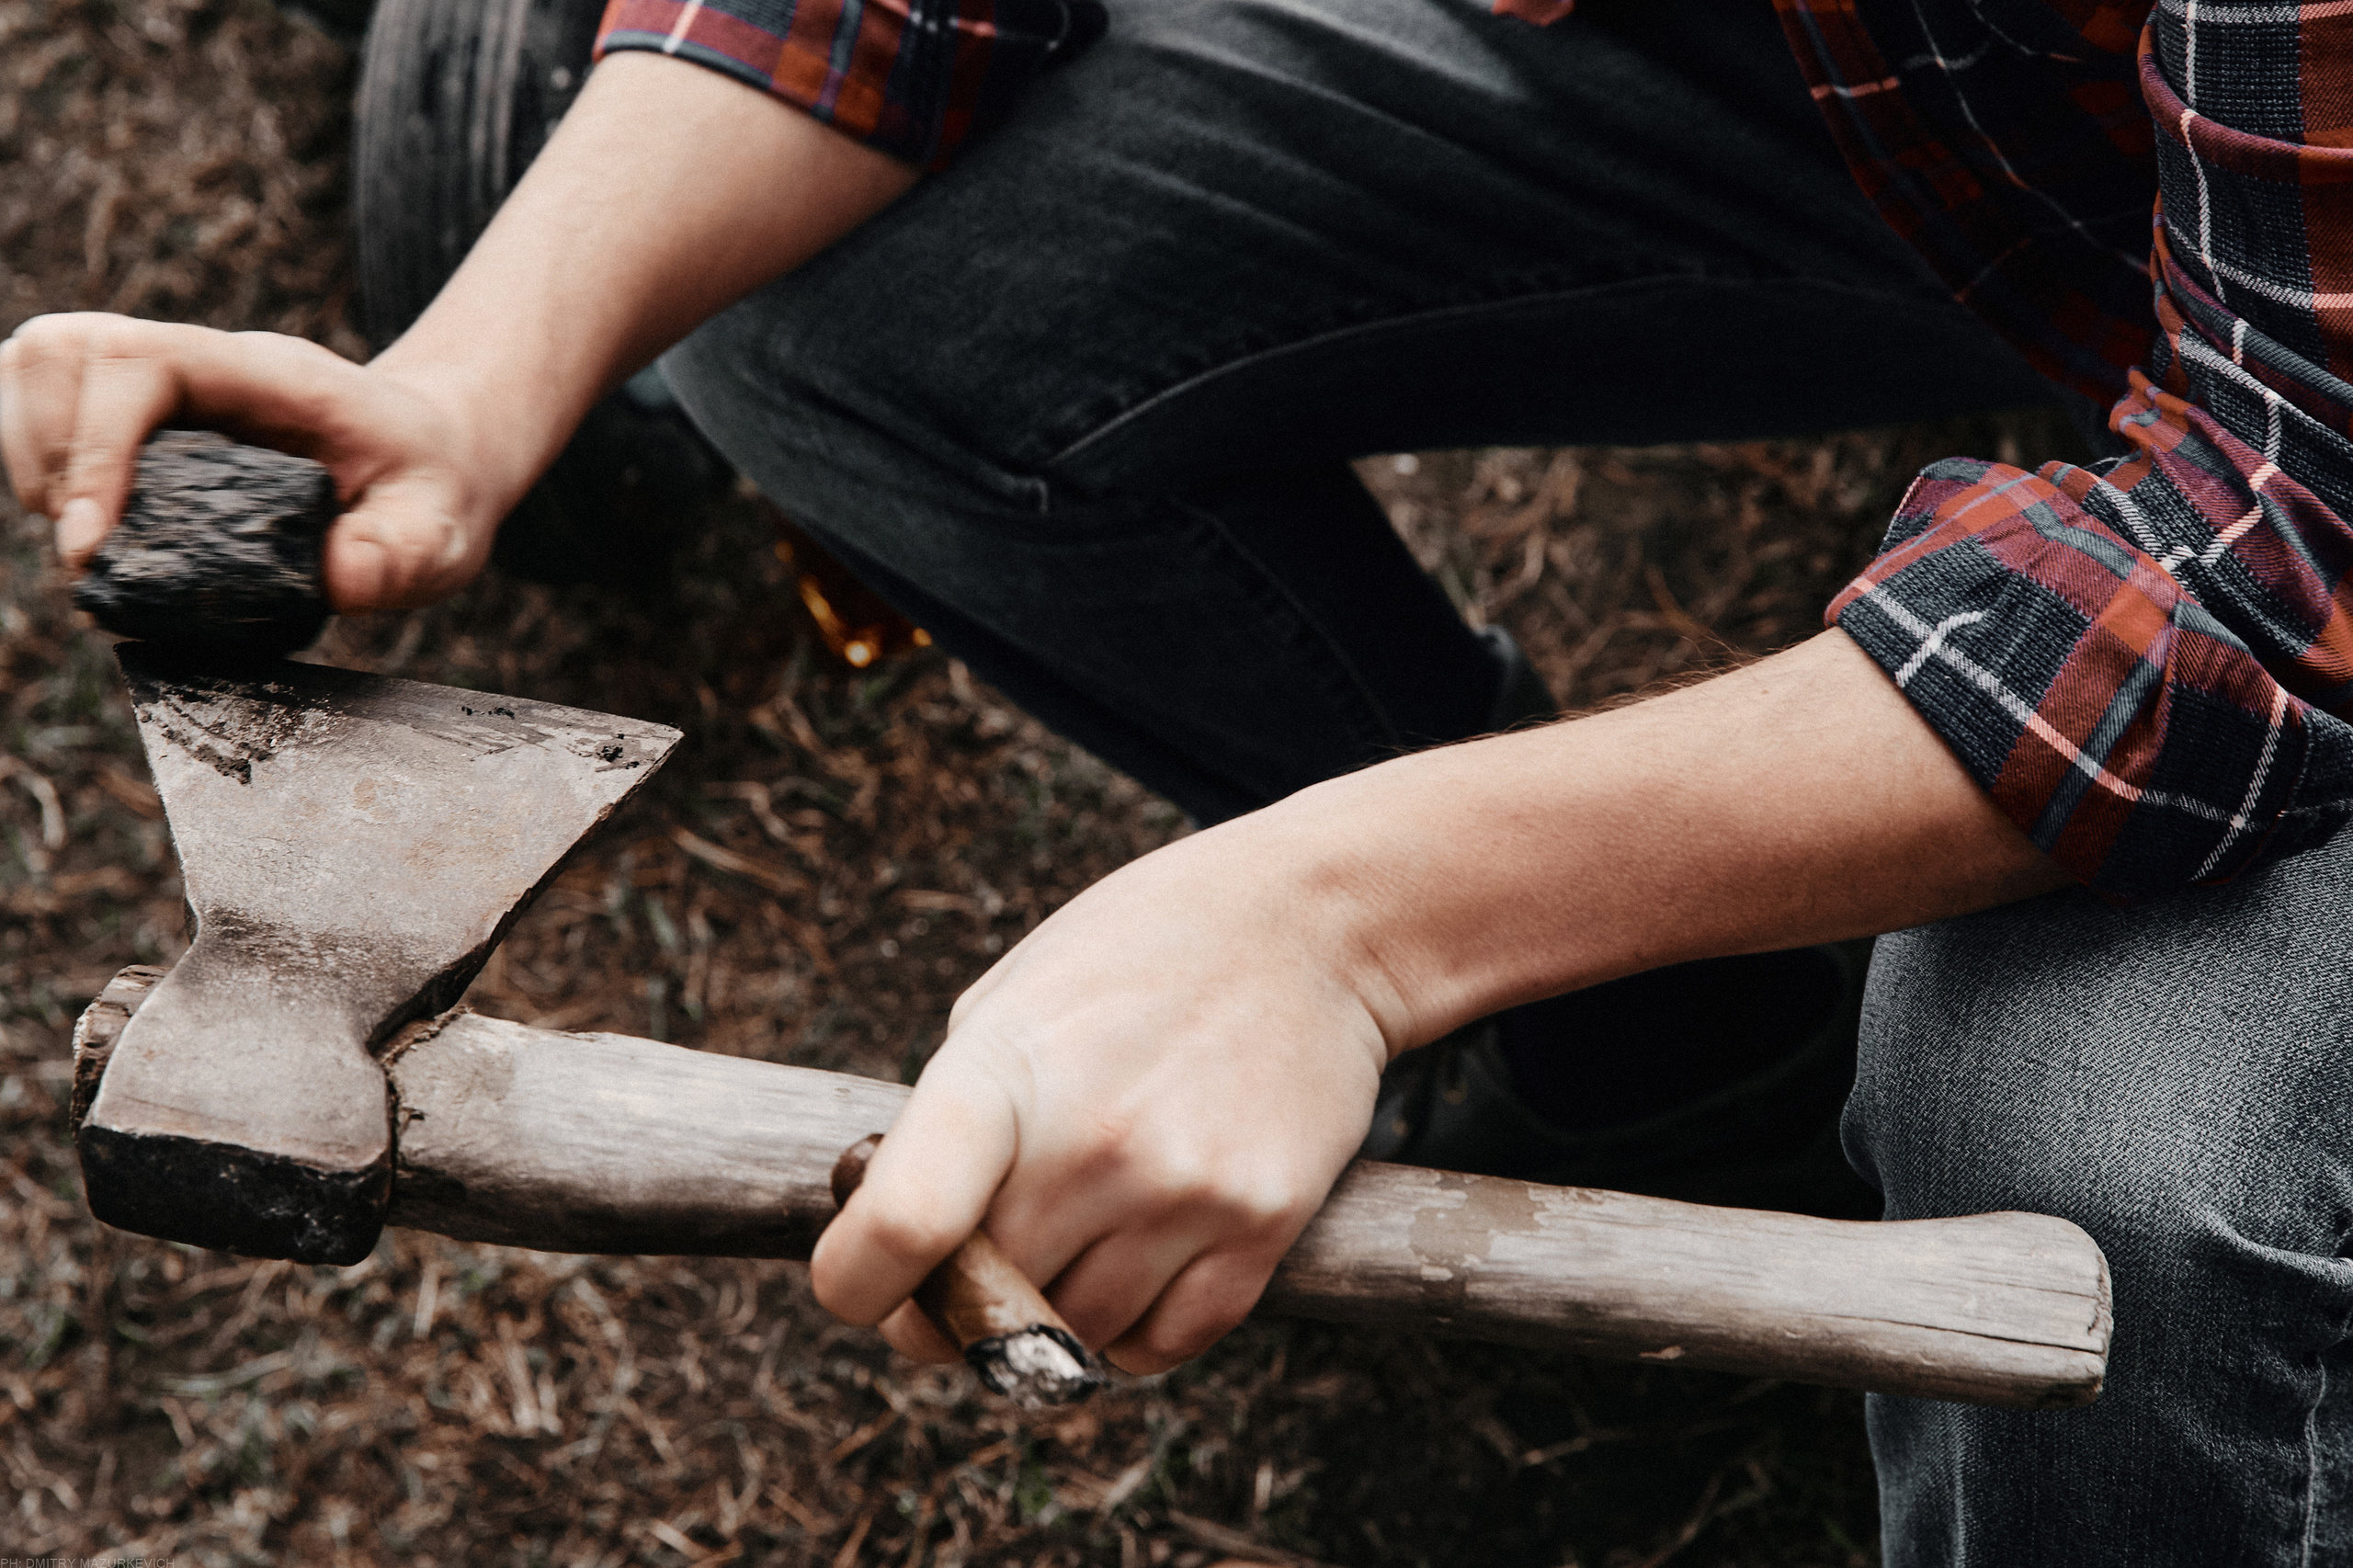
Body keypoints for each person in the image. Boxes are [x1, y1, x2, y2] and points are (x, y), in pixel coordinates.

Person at [4, 1, 2347, 1560]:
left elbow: (2289, 538)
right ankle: (1668, 1039)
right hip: (1981, 123)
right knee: (841, 314)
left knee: (2090, 1162)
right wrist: (475, 375)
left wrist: (1346, 920)